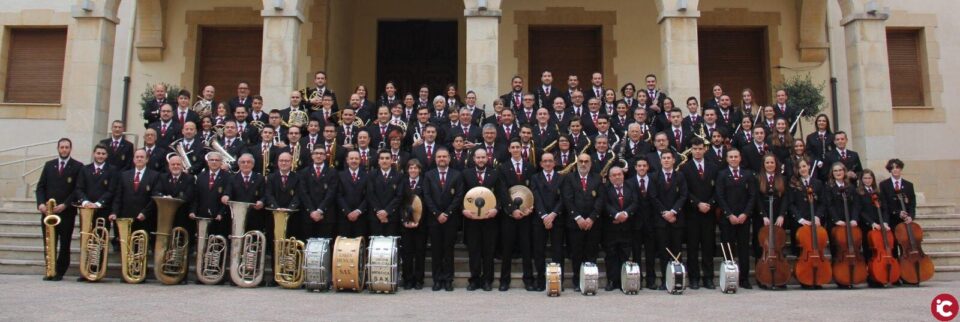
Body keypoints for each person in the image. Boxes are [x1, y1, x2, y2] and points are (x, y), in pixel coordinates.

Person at [35, 138, 83, 281]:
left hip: (66, 212)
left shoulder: (77, 166)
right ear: (58, 148)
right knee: (49, 241)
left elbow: (77, 190)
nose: (64, 149)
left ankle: (60, 271)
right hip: (48, 212)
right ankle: (50, 269)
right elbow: (40, 187)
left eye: (66, 147)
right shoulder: (49, 165)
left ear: (70, 149)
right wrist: (41, 204)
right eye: (61, 147)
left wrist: (65, 204)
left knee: (65, 242)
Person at [461, 148, 504, 291]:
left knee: (488, 251)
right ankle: (474, 280)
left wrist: (496, 209)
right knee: (474, 251)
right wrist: (463, 210)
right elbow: (460, 195)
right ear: (473, 159)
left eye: (483, 157)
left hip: (489, 220)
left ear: (487, 158)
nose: (480, 160)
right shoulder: (466, 174)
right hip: (471, 219)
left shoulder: (495, 173)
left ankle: (487, 280)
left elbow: (501, 195)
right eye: (478, 157)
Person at [422, 148, 464, 291]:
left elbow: (459, 196)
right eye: (439, 156)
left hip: (450, 219)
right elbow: (427, 196)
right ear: (435, 159)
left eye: (444, 156)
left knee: (448, 250)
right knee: (436, 251)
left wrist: (447, 213)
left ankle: (448, 280)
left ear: (449, 159)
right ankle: (437, 279)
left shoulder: (457, 175)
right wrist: (437, 213)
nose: (442, 159)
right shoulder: (428, 175)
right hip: (434, 219)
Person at [679, 138, 719, 289]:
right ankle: (694, 277)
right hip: (692, 213)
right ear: (691, 150)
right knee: (692, 247)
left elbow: (718, 190)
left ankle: (708, 277)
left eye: (700, 148)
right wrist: (697, 204)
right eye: (694, 149)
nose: (697, 151)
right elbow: (685, 191)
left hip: (709, 212)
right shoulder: (685, 168)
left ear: (705, 149)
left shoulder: (713, 167)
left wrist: (710, 203)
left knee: (708, 246)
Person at [716, 148, 757, 289]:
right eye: (731, 157)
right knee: (728, 248)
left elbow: (752, 196)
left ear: (740, 158)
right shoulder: (722, 175)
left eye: (736, 156)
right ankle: (729, 277)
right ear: (727, 159)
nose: (733, 159)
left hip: (743, 218)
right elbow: (719, 196)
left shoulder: (748, 175)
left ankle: (744, 279)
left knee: (743, 249)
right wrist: (729, 214)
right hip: (728, 218)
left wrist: (745, 213)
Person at [562, 153, 603, 293]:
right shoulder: (569, 178)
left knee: (591, 253)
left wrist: (592, 218)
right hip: (575, 223)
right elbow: (568, 199)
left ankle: (590, 281)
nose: (584, 164)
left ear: (591, 163)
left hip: (593, 223)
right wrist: (578, 218)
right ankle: (577, 281)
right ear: (577, 163)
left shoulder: (597, 178)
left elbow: (600, 200)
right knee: (576, 253)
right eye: (581, 161)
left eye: (586, 161)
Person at [152, 154, 195, 284]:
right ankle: (165, 270)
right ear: (169, 166)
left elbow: (188, 195)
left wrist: (174, 198)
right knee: (167, 244)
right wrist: (166, 196)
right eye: (173, 164)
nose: (175, 167)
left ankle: (182, 275)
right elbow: (156, 192)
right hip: (165, 217)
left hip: (182, 216)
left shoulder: (189, 178)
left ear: (182, 166)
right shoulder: (163, 177)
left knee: (182, 246)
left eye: (178, 164)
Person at [498, 140, 535, 291]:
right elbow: (502, 191)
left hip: (526, 214)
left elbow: (532, 189)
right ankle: (504, 280)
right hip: (509, 214)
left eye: (517, 147)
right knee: (507, 248)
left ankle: (528, 280)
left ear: (522, 148)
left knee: (527, 248)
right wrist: (512, 210)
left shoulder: (529, 167)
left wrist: (528, 208)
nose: (515, 149)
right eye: (512, 147)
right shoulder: (502, 167)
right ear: (509, 149)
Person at [649, 152, 688, 290]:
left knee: (677, 250)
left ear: (673, 160)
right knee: (663, 251)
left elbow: (683, 195)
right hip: (661, 220)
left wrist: (673, 211)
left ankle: (678, 279)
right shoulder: (654, 176)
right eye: (664, 158)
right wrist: (664, 213)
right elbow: (653, 197)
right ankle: (666, 281)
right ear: (660, 161)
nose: (666, 160)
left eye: (668, 158)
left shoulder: (680, 176)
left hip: (676, 219)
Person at [530, 152, 564, 292]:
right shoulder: (535, 178)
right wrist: (544, 215)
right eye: (545, 161)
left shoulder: (561, 178)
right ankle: (540, 279)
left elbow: (563, 198)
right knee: (539, 250)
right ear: (541, 164)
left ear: (554, 163)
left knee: (557, 250)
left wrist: (553, 214)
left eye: (550, 161)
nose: (548, 163)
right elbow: (535, 197)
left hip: (557, 218)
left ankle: (557, 279)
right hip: (540, 219)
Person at [756, 154, 790, 289]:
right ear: (763, 165)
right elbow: (757, 199)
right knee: (763, 246)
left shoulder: (783, 179)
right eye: (767, 163)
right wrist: (763, 215)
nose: (770, 165)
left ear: (776, 164)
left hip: (778, 216)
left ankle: (780, 276)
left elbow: (786, 198)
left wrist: (782, 215)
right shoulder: (758, 179)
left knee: (778, 245)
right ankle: (763, 277)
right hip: (763, 216)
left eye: (772, 162)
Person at [602, 167, 637, 291]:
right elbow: (604, 204)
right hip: (611, 227)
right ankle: (612, 280)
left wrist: (625, 215)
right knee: (611, 255)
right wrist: (616, 215)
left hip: (627, 226)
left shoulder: (631, 186)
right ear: (610, 177)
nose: (617, 177)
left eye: (619, 174)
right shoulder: (605, 188)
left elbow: (635, 202)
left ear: (623, 175)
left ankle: (624, 281)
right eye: (614, 175)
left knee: (625, 254)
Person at [789, 157, 827, 261]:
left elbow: (822, 203)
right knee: (801, 250)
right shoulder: (793, 184)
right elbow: (791, 204)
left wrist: (817, 216)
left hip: (815, 221)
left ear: (809, 166)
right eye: (799, 167)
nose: (802, 169)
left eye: (804, 166)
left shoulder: (818, 183)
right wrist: (800, 219)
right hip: (800, 222)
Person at [298, 146, 337, 239]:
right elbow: (303, 193)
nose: (318, 156)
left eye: (321, 154)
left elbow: (331, 193)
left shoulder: (332, 172)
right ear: (312, 156)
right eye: (316, 153)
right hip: (308, 216)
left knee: (324, 247)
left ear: (325, 156)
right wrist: (312, 211)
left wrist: (320, 210)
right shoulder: (304, 172)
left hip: (326, 216)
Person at [880, 159, 916, 261]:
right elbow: (885, 204)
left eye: (897, 167)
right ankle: (896, 268)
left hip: (905, 221)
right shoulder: (884, 185)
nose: (895, 170)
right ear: (889, 170)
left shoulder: (909, 185)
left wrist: (911, 216)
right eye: (892, 168)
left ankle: (907, 268)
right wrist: (897, 212)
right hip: (892, 220)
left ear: (901, 169)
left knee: (906, 245)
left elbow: (912, 203)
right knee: (893, 245)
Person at [189, 152, 230, 241]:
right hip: (202, 215)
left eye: (217, 160)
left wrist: (221, 213)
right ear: (207, 162)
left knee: (217, 243)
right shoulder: (200, 176)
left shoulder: (228, 177)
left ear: (221, 162)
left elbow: (228, 197)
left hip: (218, 217)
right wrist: (193, 211)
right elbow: (196, 197)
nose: (214, 162)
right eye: (211, 160)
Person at [400, 160, 427, 290]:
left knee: (420, 252)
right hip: (405, 224)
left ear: (419, 170)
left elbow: (427, 201)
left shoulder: (424, 182)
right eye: (411, 168)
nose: (413, 170)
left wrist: (418, 221)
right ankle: (407, 279)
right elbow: (399, 201)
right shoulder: (403, 182)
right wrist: (404, 220)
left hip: (420, 224)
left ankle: (419, 280)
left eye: (416, 168)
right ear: (407, 170)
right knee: (407, 253)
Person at [368, 150, 403, 236]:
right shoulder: (372, 174)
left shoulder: (399, 175)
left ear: (392, 160)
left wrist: (387, 211)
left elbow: (399, 196)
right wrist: (380, 212)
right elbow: (370, 194)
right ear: (378, 161)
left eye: (387, 158)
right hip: (376, 217)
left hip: (392, 217)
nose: (384, 160)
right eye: (382, 158)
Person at [337, 150, 369, 238]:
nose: (354, 161)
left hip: (361, 217)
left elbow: (368, 196)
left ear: (360, 160)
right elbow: (338, 195)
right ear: (347, 160)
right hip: (344, 217)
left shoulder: (367, 176)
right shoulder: (340, 175)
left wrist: (358, 211)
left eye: (356, 158)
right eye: (351, 158)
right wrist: (347, 212)